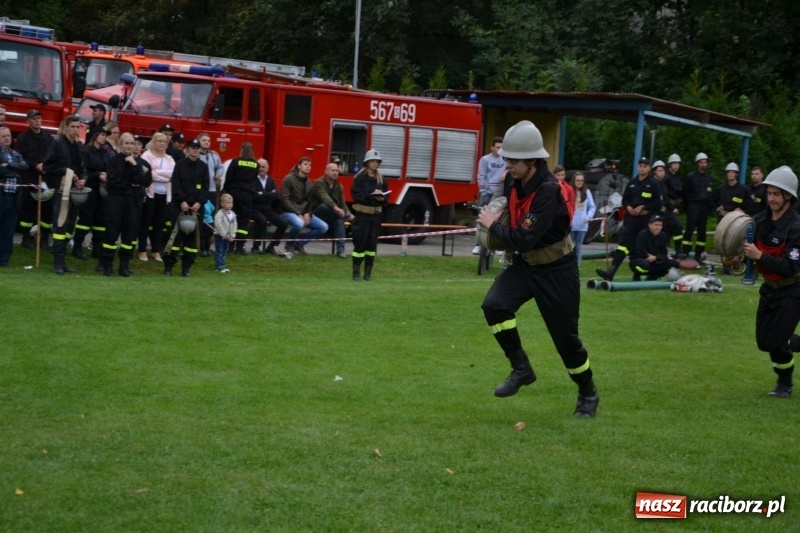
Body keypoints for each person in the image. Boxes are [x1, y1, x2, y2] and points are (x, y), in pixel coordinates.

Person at [477, 120, 598, 418]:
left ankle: (587, 392)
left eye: (514, 160)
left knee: (566, 341)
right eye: (506, 158)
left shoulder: (548, 191)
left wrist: (492, 226)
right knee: (494, 306)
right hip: (526, 265)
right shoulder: (512, 179)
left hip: (558, 269)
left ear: (532, 161)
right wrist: (495, 215)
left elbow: (525, 238)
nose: (508, 165)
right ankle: (521, 368)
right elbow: (512, 220)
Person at [742, 166, 800, 398]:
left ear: (788, 196)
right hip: (770, 290)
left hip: (793, 290)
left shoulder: (796, 227)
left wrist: (760, 256)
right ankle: (793, 343)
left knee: (776, 342)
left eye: (777, 194)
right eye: (770, 193)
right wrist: (734, 254)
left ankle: (784, 384)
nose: (772, 198)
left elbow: (791, 267)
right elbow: (742, 245)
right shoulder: (759, 220)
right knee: (764, 342)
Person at [596, 157, 662, 281]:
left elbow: (657, 204)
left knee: (642, 247)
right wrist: (629, 207)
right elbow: (625, 199)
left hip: (645, 220)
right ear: (638, 167)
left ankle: (642, 274)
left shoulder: (653, 184)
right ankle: (611, 271)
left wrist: (643, 206)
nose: (642, 168)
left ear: (648, 168)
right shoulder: (632, 183)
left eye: (645, 166)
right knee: (623, 245)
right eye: (640, 166)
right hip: (632, 219)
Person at [43, 116, 89, 275]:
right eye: (73, 127)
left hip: (75, 192)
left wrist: (83, 179)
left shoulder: (79, 147)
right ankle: (57, 261)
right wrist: (66, 172)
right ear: (66, 127)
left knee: (70, 225)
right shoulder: (57, 144)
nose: (76, 130)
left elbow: (83, 168)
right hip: (61, 190)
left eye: (78, 127)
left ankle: (63, 260)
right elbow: (47, 166)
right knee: (60, 224)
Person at [100, 133, 150, 277]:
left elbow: (142, 181)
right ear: (121, 145)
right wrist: (131, 184)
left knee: (130, 234)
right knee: (112, 232)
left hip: (133, 202)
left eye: (132, 143)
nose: (129, 146)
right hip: (116, 201)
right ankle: (107, 265)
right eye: (126, 143)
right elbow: (112, 183)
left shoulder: (138, 163)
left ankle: (124, 265)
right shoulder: (113, 161)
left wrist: (134, 166)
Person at [163, 138, 208, 277]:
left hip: (196, 208)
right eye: (192, 148)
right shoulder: (180, 165)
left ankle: (186, 268)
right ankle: (169, 267)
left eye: (197, 148)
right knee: (175, 239)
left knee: (192, 242)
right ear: (187, 149)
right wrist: (182, 201)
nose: (195, 150)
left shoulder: (203, 167)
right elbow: (175, 185)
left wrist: (199, 203)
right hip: (179, 207)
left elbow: (206, 188)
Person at [15, 109, 53, 249]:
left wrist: (45, 165)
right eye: (33, 119)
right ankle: (26, 237)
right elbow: (20, 157)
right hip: (30, 177)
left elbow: (53, 155)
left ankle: (43, 238)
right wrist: (35, 165)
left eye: (38, 118)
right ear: (28, 121)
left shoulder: (48, 138)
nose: (37, 121)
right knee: (28, 209)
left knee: (46, 209)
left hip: (46, 177)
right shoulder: (23, 138)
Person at [280, 157, 328, 257]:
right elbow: (284, 200)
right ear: (299, 166)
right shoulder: (288, 179)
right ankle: (289, 245)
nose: (308, 167)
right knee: (299, 223)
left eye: (310, 165)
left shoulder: (309, 182)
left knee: (323, 227)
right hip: (287, 211)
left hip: (302, 212)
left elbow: (309, 201)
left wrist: (307, 213)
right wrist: (298, 213)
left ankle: (299, 244)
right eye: (305, 164)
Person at [350, 150, 386, 280]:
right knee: (360, 244)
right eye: (372, 161)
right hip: (362, 216)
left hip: (375, 217)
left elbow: (387, 198)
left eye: (377, 161)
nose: (375, 163)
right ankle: (356, 273)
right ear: (367, 162)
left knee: (372, 246)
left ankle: (368, 274)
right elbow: (356, 196)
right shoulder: (359, 178)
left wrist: (382, 198)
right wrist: (371, 195)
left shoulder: (381, 179)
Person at [139, 132, 174, 263]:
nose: (162, 144)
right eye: (160, 141)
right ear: (154, 141)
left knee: (159, 224)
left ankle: (156, 250)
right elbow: (149, 175)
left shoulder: (170, 159)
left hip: (165, 195)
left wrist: (158, 174)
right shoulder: (146, 156)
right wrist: (163, 177)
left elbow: (173, 174)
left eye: (165, 142)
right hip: (150, 194)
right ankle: (142, 250)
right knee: (145, 222)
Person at [74, 129, 108, 261]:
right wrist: (99, 175)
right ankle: (77, 247)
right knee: (85, 219)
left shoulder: (103, 152)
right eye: (102, 135)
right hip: (89, 188)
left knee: (100, 219)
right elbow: (85, 170)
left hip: (101, 190)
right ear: (95, 136)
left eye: (105, 135)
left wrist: (105, 174)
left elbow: (105, 167)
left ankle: (97, 248)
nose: (104, 138)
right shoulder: (87, 151)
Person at [310, 162, 354, 258]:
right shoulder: (319, 183)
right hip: (316, 213)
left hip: (332, 214)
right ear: (326, 171)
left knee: (339, 221)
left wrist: (347, 212)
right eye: (332, 170)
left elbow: (342, 202)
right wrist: (338, 210)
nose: (335, 173)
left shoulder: (339, 186)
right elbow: (325, 198)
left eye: (337, 171)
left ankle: (340, 251)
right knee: (324, 206)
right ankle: (344, 216)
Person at [223, 142, 260, 255]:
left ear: (242, 150)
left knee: (231, 219)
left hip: (234, 193)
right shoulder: (256, 164)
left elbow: (229, 178)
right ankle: (239, 247)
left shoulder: (235, 161)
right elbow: (254, 180)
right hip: (247, 195)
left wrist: (226, 191)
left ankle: (230, 247)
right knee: (243, 222)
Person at [472, 136, 505, 255]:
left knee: (500, 218)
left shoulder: (505, 160)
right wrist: (484, 192)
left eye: (501, 148)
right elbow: (481, 176)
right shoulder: (485, 160)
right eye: (497, 147)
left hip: (500, 194)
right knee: (482, 217)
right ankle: (478, 244)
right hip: (487, 193)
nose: (499, 150)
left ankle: (497, 246)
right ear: (492, 147)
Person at [0, 127, 28, 267]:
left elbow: (24, 167)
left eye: (8, 135)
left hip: (13, 198)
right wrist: (14, 172)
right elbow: (1, 170)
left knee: (8, 230)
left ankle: (4, 260)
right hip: (1, 196)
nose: (7, 138)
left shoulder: (16, 154)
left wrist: (9, 165)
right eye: (4, 136)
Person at [681, 152, 713, 263]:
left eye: (705, 162)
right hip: (693, 205)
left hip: (704, 207)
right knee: (689, 229)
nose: (703, 164)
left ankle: (699, 253)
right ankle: (685, 251)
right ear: (697, 164)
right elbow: (685, 193)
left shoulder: (709, 177)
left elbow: (710, 194)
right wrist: (687, 207)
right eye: (701, 162)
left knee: (702, 231)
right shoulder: (690, 177)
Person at [251, 158, 288, 255]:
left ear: (268, 168)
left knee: (283, 224)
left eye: (263, 167)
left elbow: (276, 195)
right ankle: (255, 246)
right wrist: (268, 194)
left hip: (267, 210)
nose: (261, 169)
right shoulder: (252, 179)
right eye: (259, 167)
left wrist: (262, 194)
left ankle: (272, 246)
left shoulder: (271, 180)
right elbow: (254, 196)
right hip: (254, 209)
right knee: (261, 221)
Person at [629, 214, 680, 281]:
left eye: (660, 225)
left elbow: (664, 253)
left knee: (675, 263)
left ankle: (653, 276)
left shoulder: (663, 236)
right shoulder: (642, 234)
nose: (658, 227)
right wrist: (652, 257)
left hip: (655, 260)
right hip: (639, 260)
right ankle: (636, 275)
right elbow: (640, 251)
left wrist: (656, 257)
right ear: (650, 225)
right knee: (644, 265)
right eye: (656, 225)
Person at [652, 160, 683, 256]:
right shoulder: (652, 184)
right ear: (654, 171)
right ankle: (661, 252)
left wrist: (672, 208)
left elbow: (666, 199)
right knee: (663, 232)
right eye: (659, 171)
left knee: (677, 226)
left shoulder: (663, 185)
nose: (662, 173)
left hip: (666, 212)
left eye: (663, 171)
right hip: (656, 213)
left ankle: (678, 251)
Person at [569, 171, 595, 267]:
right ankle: (568, 266)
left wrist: (588, 217)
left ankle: (577, 267)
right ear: (574, 181)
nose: (579, 182)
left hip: (582, 225)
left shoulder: (587, 192)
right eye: (578, 180)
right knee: (569, 247)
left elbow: (592, 207)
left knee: (579, 247)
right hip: (571, 225)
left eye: (581, 180)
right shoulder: (570, 191)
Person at [213, 193, 236, 273]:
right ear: (222, 204)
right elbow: (218, 224)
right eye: (228, 203)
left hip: (228, 237)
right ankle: (218, 266)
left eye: (231, 203)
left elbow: (234, 224)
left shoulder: (232, 214)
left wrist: (232, 235)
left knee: (225, 251)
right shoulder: (220, 213)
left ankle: (223, 264)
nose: (230, 205)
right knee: (219, 250)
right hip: (220, 236)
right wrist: (224, 234)